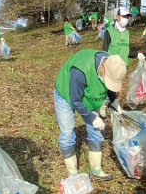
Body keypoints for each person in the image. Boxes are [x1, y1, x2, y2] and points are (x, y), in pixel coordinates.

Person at [53, 50, 126, 180]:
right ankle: (73, 174)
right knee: (67, 133)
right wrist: (92, 117)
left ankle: (96, 170)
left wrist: (114, 101)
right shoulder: (81, 70)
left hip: (87, 95)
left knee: (96, 130)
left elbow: (109, 86)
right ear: (102, 67)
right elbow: (75, 100)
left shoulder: (113, 65)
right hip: (65, 93)